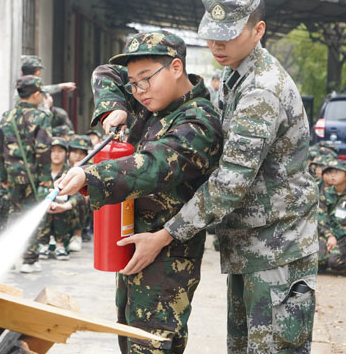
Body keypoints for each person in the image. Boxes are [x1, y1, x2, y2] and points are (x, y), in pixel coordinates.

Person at [144, 0, 318, 353]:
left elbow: (231, 182)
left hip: (276, 250)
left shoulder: (262, 91)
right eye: (212, 33)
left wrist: (166, 235)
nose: (216, 44)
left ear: (258, 30)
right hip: (250, 244)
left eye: (228, 35)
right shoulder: (236, 73)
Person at [56, 30, 223, 352]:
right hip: (133, 245)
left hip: (167, 256)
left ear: (176, 68)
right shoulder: (153, 102)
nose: (139, 90)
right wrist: (112, 108)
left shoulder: (198, 120)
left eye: (146, 79)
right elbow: (105, 72)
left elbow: (155, 164)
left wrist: (90, 176)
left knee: (152, 343)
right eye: (133, 83)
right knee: (130, 336)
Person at [0, 75, 52, 273]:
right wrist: (46, 178)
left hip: (12, 176)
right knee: (31, 215)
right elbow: (43, 149)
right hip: (33, 176)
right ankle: (29, 259)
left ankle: (10, 258)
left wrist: (2, 175)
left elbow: (0, 148)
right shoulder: (41, 117)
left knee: (12, 215)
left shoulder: (7, 116)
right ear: (36, 95)